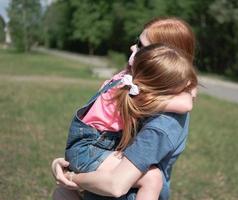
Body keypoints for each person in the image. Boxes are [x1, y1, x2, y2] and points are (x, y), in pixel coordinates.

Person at [51, 16, 198, 200]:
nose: (132, 47)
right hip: (92, 157)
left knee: (153, 178)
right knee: (63, 193)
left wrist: (71, 177)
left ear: (159, 60)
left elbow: (116, 184)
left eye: (141, 46)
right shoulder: (131, 86)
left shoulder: (161, 122)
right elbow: (186, 103)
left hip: (105, 174)